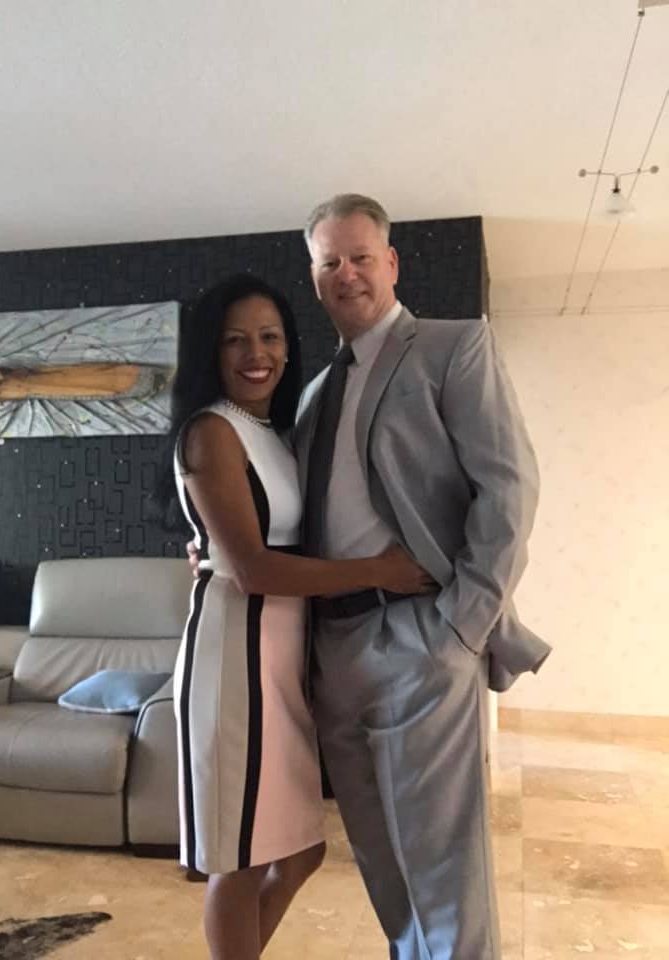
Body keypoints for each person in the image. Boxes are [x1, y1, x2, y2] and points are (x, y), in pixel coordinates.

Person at [293, 193, 552, 959]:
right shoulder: (314, 395)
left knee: (441, 863)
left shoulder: (452, 346)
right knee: (381, 859)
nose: (346, 274)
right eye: (329, 262)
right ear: (314, 277)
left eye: (360, 257)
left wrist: (460, 628)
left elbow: (508, 489)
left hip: (421, 635)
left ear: (392, 262)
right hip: (331, 647)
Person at [155, 273, 434, 960]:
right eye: (236, 340)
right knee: (240, 861)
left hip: (278, 662)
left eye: (270, 337)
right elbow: (254, 569)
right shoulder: (212, 430)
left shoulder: (272, 431)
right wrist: (382, 571)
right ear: (210, 351)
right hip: (236, 662)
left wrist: (210, 551)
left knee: (302, 850)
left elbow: (250, 542)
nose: (257, 354)